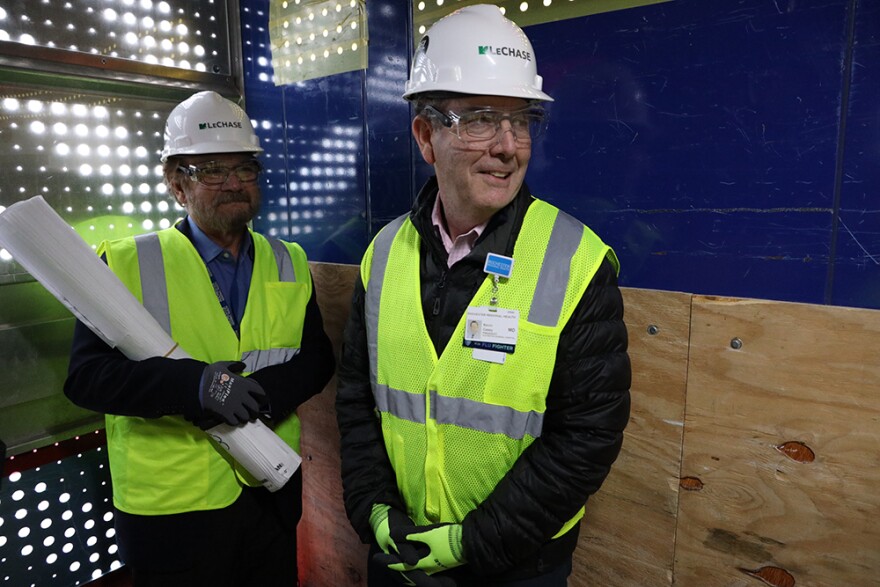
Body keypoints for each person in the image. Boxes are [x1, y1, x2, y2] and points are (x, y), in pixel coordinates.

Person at [335, 5, 631, 587]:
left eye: (521, 121)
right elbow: (356, 400)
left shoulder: (576, 260)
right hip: (401, 552)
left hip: (517, 564)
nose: (507, 146)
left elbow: (589, 434)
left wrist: (473, 541)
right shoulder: (384, 252)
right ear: (426, 134)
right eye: (479, 120)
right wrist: (372, 511)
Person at [64, 90, 335, 587]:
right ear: (176, 185)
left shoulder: (288, 258)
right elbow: (87, 379)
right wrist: (196, 387)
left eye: (244, 169)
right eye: (211, 170)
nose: (233, 184)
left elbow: (317, 358)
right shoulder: (125, 263)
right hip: (173, 513)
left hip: (268, 492)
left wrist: (267, 394)